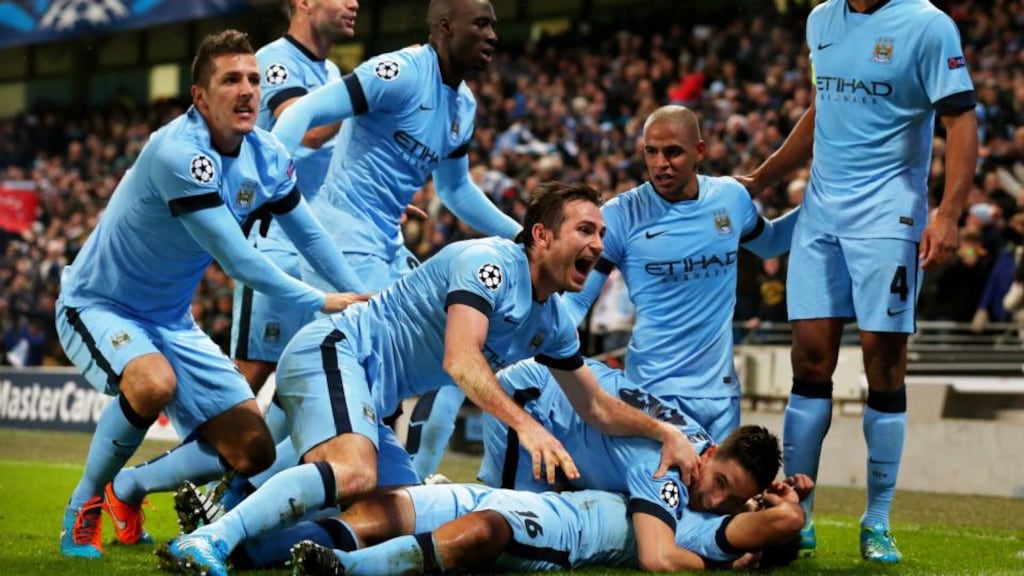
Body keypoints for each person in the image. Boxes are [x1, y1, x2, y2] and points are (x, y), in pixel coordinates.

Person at [159, 182, 698, 576]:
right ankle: (210, 537)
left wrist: (665, 433)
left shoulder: (553, 320)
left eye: (602, 233)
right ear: (541, 235)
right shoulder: (489, 263)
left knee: (395, 511)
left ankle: (252, 547)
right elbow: (460, 361)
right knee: (350, 469)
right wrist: (527, 428)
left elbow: (597, 407)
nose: (599, 243)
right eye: (586, 230)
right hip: (336, 348)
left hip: (366, 391)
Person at [55, 29, 367, 558]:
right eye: (230, 80)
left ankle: (125, 488)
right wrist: (320, 300)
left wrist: (361, 294)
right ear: (200, 97)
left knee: (254, 449)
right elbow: (238, 259)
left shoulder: (267, 154)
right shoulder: (176, 151)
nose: (247, 90)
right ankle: (82, 507)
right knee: (152, 381)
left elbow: (310, 234)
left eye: (253, 78)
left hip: (171, 320)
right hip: (97, 304)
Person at [736, 0, 979, 563]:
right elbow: (826, 108)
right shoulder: (820, 19)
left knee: (883, 364)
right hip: (821, 213)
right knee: (810, 362)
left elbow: (962, 120)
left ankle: (877, 520)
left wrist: (949, 213)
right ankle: (801, 514)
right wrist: (764, 177)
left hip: (888, 216)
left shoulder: (927, 25)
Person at [270, 0, 524, 481]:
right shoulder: (400, 72)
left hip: (386, 247)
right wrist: (267, 176)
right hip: (339, 238)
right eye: (482, 24)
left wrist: (521, 235)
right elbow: (303, 110)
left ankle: (407, 495)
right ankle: (245, 490)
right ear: (446, 27)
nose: (493, 35)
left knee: (447, 369)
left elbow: (455, 192)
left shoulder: (462, 106)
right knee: (358, 390)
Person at [564, 105, 799, 443]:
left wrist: (820, 204)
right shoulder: (619, 215)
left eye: (673, 152)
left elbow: (771, 243)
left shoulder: (730, 197)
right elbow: (576, 302)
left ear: (699, 151)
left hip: (720, 395)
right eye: (651, 152)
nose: (661, 164)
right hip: (651, 393)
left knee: (718, 495)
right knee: (662, 493)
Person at [230, 0, 360, 415]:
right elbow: (312, 132)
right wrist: (370, 92)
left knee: (306, 369)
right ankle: (194, 466)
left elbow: (331, 160)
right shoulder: (273, 61)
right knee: (254, 367)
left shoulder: (332, 74)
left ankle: (254, 479)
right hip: (273, 240)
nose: (354, 3)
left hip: (316, 242)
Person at [287, 476, 809, 575]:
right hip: (526, 497)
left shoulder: (710, 542)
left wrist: (790, 508)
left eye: (753, 506)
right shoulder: (698, 504)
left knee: (483, 529)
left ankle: (344, 568)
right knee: (386, 505)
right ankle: (248, 544)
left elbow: (785, 522)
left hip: (559, 536)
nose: (747, 502)